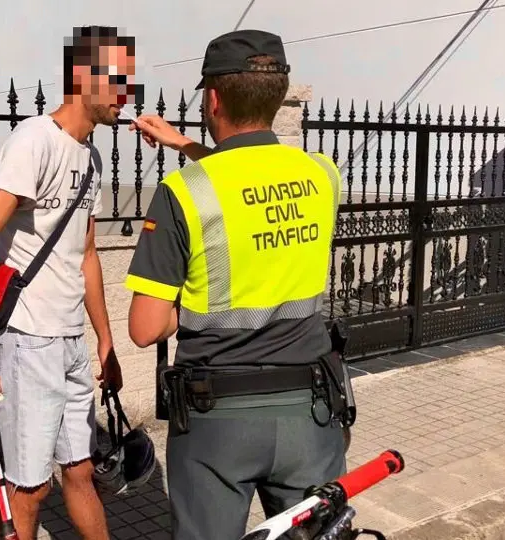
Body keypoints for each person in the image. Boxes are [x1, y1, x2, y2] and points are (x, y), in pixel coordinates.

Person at [125, 30, 350, 540]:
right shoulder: (323, 174)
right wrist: (183, 143)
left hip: (218, 418)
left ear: (212, 99)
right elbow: (253, 181)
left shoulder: (182, 192)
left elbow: (145, 328)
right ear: (276, 96)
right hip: (311, 410)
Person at [0, 25, 138, 540]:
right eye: (119, 81)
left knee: (82, 473)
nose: (126, 97)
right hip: (27, 339)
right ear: (83, 76)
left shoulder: (89, 158)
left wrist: (105, 339)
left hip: (68, 342)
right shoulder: (33, 141)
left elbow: (85, 253)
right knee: (30, 487)